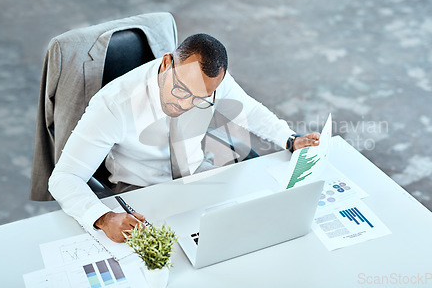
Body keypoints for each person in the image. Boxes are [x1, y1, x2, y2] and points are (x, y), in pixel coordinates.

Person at [48, 33, 320, 243]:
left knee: (251, 228)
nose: (186, 105)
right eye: (181, 91)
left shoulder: (210, 84)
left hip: (197, 175)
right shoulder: (113, 104)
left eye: (199, 99)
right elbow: (64, 178)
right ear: (167, 63)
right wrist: (104, 218)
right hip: (142, 191)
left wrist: (290, 138)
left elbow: (248, 108)